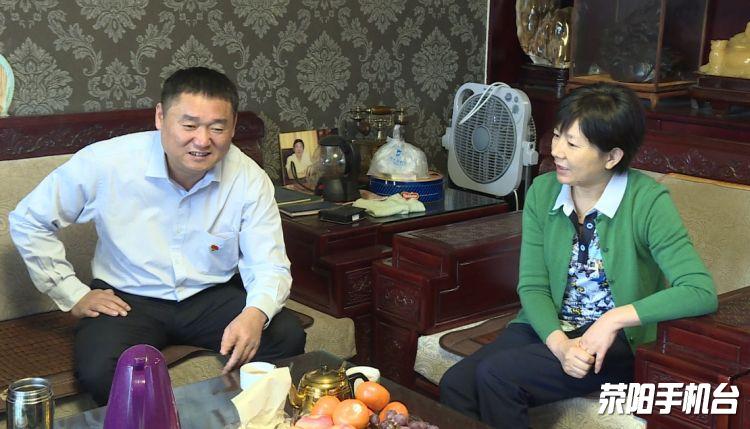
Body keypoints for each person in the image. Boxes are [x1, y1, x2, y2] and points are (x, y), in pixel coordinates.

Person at [9, 67, 306, 405]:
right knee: (99, 369)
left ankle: (249, 420)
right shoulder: (107, 162)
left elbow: (269, 263)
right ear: (161, 117)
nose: (202, 141)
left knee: (285, 335)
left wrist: (255, 314)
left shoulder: (248, 178)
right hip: (129, 300)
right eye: (189, 125)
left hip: (209, 296)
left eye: (217, 127)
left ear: (234, 126)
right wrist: (71, 292)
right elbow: (28, 220)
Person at [439, 83, 718, 427]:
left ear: (612, 157)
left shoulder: (647, 202)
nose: (556, 151)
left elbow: (699, 290)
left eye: (572, 144)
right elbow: (533, 285)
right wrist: (560, 344)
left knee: (498, 376)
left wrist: (612, 320)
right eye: (557, 136)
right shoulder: (543, 191)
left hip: (614, 342)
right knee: (457, 385)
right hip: (550, 328)